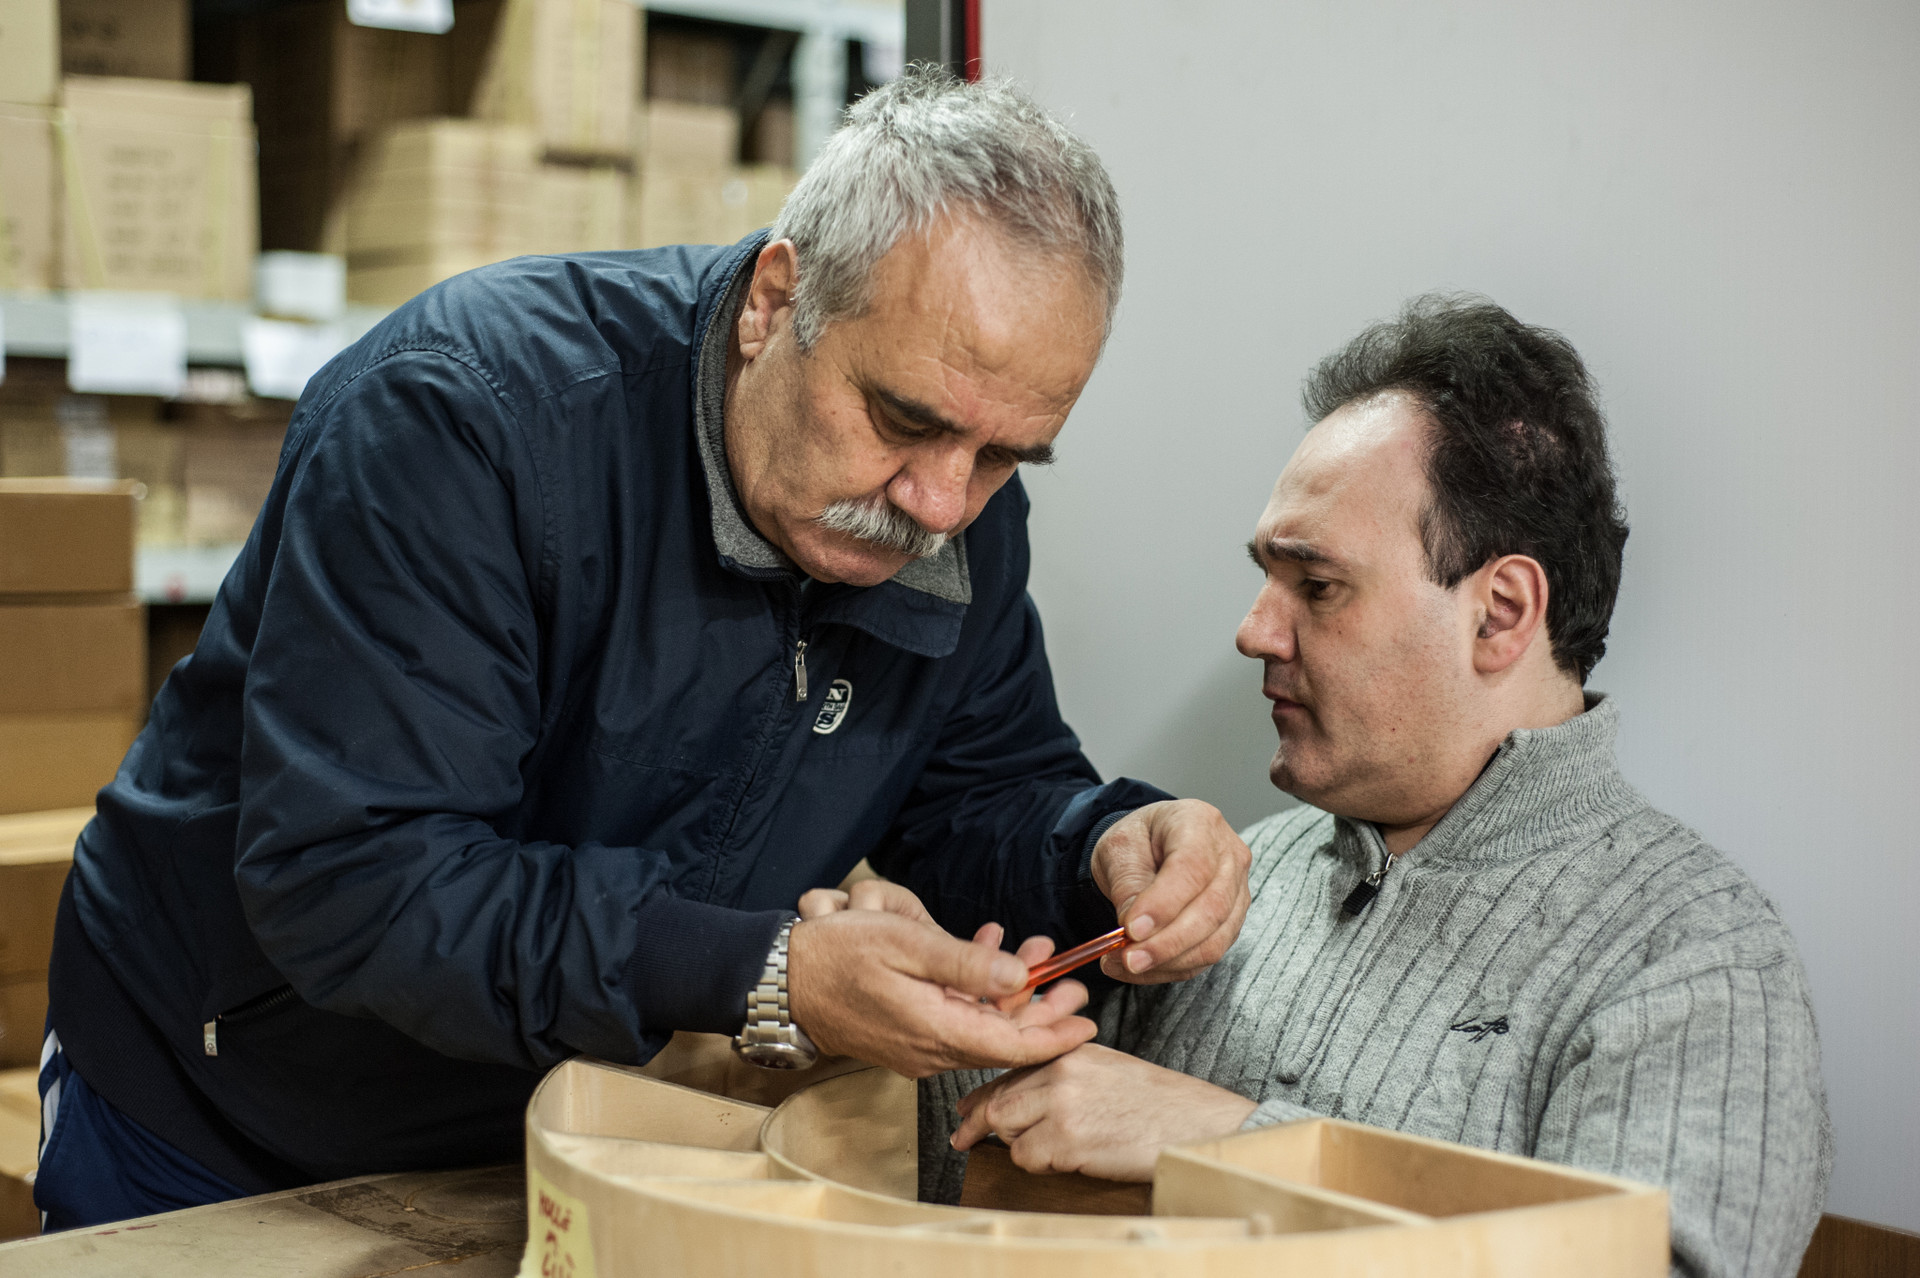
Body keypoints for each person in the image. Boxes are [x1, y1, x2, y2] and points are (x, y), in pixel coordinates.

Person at [34, 69, 1252, 1230]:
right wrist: (768, 970)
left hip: (554, 1124)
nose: (941, 502)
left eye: (1001, 458)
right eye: (904, 420)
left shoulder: (947, 506)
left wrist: (1098, 847)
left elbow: (976, 785)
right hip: (221, 1113)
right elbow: (362, 879)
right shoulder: (466, 424)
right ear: (776, 302)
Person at [938, 296, 1831, 1278]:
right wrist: (942, 1028)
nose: (1254, 632)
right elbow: (1019, 1172)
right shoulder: (1237, 879)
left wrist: (1246, 1145)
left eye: (1315, 587)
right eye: (1266, 579)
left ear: (1499, 615)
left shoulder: (1697, 962)